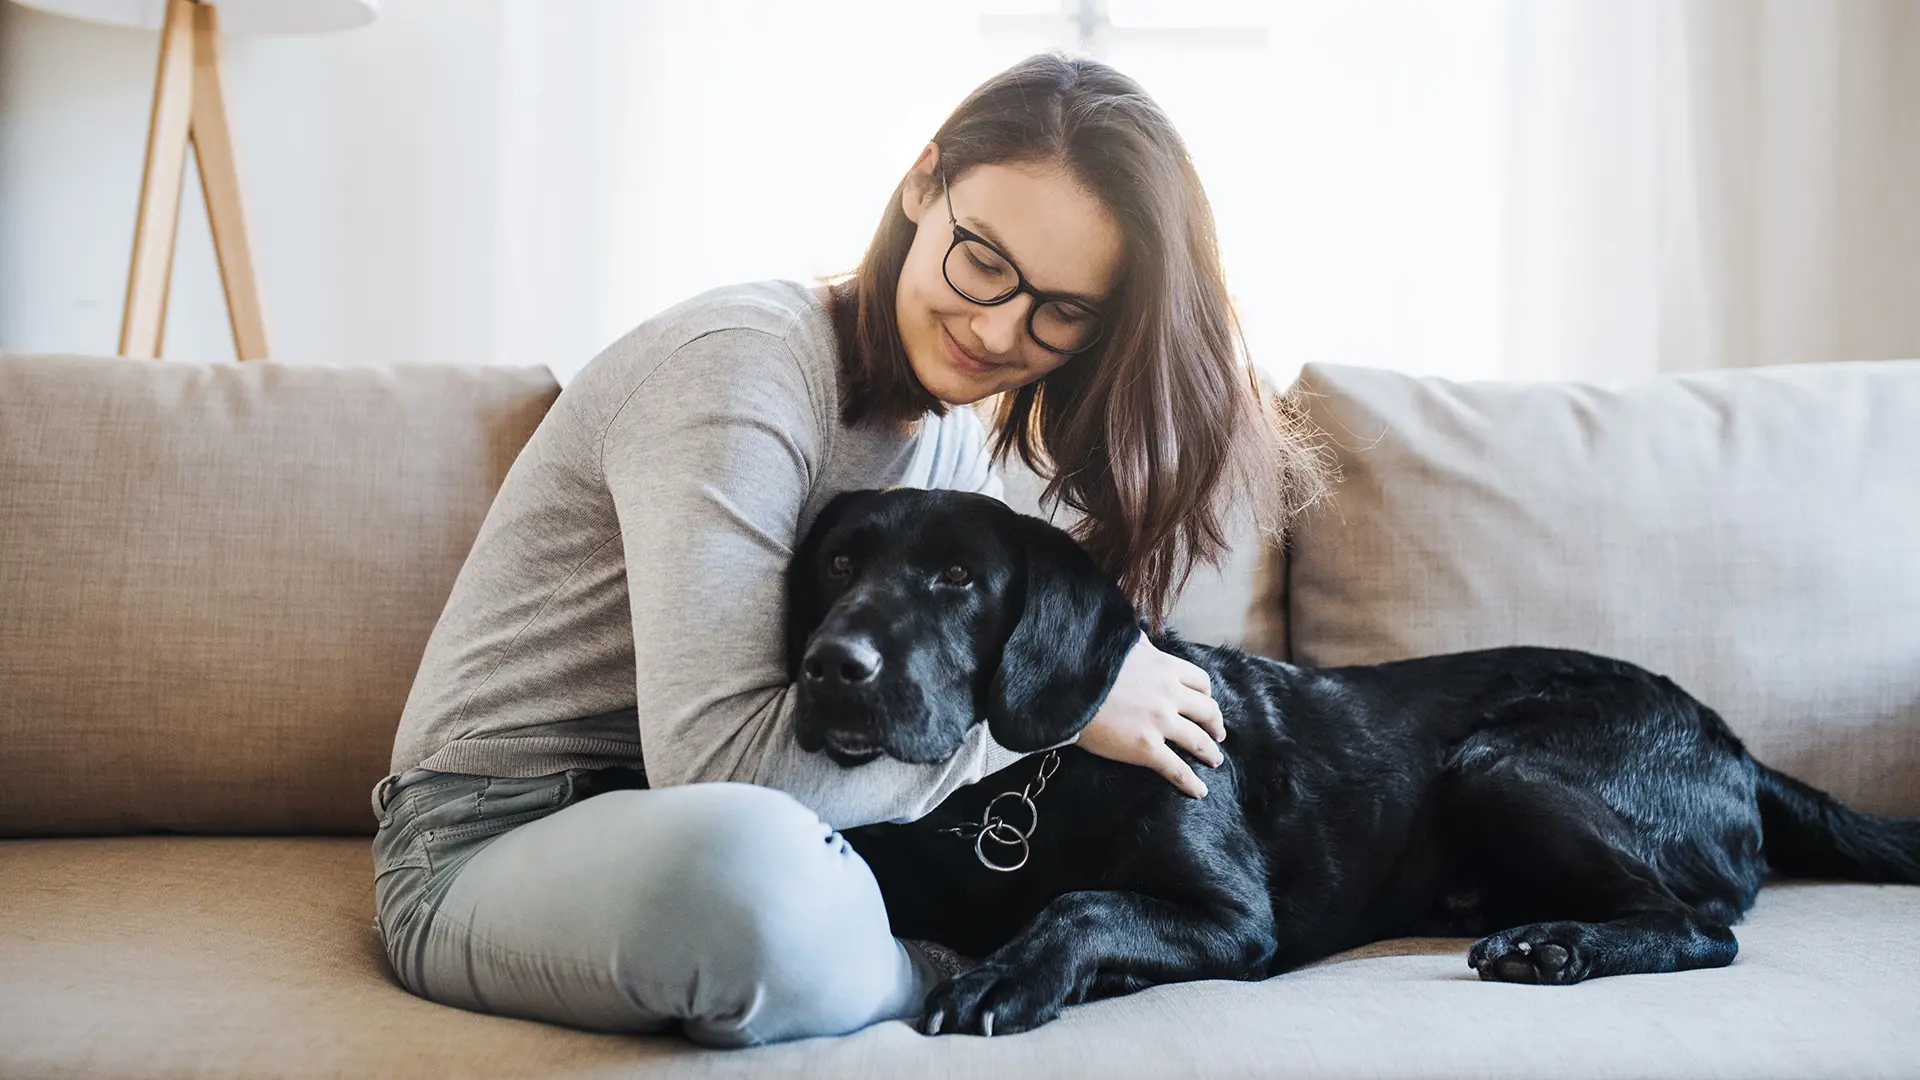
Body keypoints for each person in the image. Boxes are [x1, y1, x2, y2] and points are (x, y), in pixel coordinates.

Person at [371, 52, 1325, 1048]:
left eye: (1060, 312)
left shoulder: (948, 429)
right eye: (984, 261)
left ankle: (902, 959)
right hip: (495, 836)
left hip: (731, 825)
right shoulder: (743, 368)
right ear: (923, 182)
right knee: (754, 880)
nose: (998, 329)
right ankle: (919, 974)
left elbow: (914, 725)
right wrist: (1064, 717)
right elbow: (718, 770)